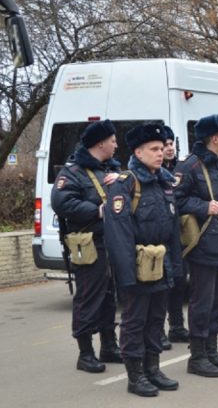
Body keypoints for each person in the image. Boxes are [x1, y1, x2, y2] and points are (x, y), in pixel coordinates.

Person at [104, 123, 182, 397]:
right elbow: (119, 235)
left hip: (161, 263)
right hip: (137, 266)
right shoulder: (125, 185)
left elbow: (173, 230)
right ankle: (135, 375)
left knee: (156, 319)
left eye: (162, 148)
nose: (161, 153)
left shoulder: (165, 182)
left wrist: (176, 267)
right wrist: (127, 277)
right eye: (154, 149)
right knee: (135, 321)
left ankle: (153, 368)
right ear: (138, 152)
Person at [51, 119, 122, 374]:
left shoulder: (109, 169)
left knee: (108, 297)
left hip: (111, 242)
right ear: (101, 143)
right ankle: (85, 352)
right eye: (112, 141)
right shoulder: (72, 172)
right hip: (89, 242)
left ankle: (109, 346)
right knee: (88, 298)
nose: (116, 145)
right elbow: (62, 203)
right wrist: (97, 211)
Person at [173, 114, 218, 377]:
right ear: (214, 139)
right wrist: (202, 206)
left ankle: (211, 350)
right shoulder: (190, 166)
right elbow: (175, 199)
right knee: (202, 301)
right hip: (202, 242)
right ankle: (197, 355)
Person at [162, 125, 189, 347]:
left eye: (171, 144)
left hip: (178, 234)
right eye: (165, 145)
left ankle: (177, 326)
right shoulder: (153, 172)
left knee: (179, 282)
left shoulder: (179, 168)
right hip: (161, 236)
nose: (169, 148)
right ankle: (158, 331)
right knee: (163, 284)